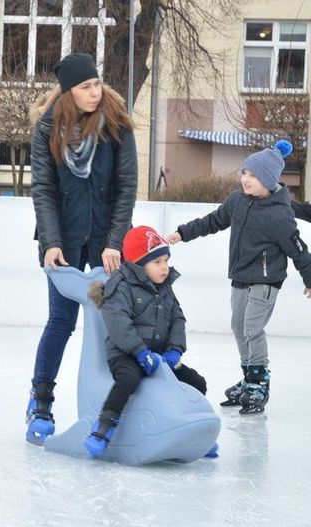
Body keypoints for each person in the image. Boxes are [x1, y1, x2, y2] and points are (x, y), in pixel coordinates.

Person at [26, 52, 138, 445]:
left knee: (116, 324)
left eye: (96, 84)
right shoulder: (47, 130)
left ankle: (116, 406)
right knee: (61, 321)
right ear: (68, 93)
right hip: (64, 241)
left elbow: (126, 188)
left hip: (107, 241)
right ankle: (40, 400)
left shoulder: (117, 125)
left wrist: (114, 243)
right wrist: (52, 243)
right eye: (85, 87)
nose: (95, 92)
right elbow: (43, 189)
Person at [165, 140, 311, 415]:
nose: (245, 179)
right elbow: (213, 220)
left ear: (268, 180)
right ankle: (248, 375)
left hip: (267, 280)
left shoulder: (280, 215)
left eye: (253, 176)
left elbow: (299, 250)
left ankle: (259, 381)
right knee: (238, 326)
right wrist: (182, 233)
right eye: (245, 172)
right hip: (241, 275)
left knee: (252, 327)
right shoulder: (237, 201)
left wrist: (309, 278)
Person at [85, 226, 208, 458]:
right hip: (126, 354)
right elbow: (119, 325)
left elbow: (177, 318)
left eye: (166, 260)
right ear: (139, 264)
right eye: (157, 262)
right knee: (128, 379)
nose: (165, 267)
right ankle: (103, 427)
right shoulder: (120, 287)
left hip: (159, 357)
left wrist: (174, 350)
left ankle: (194, 434)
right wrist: (140, 352)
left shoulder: (165, 288)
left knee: (196, 382)